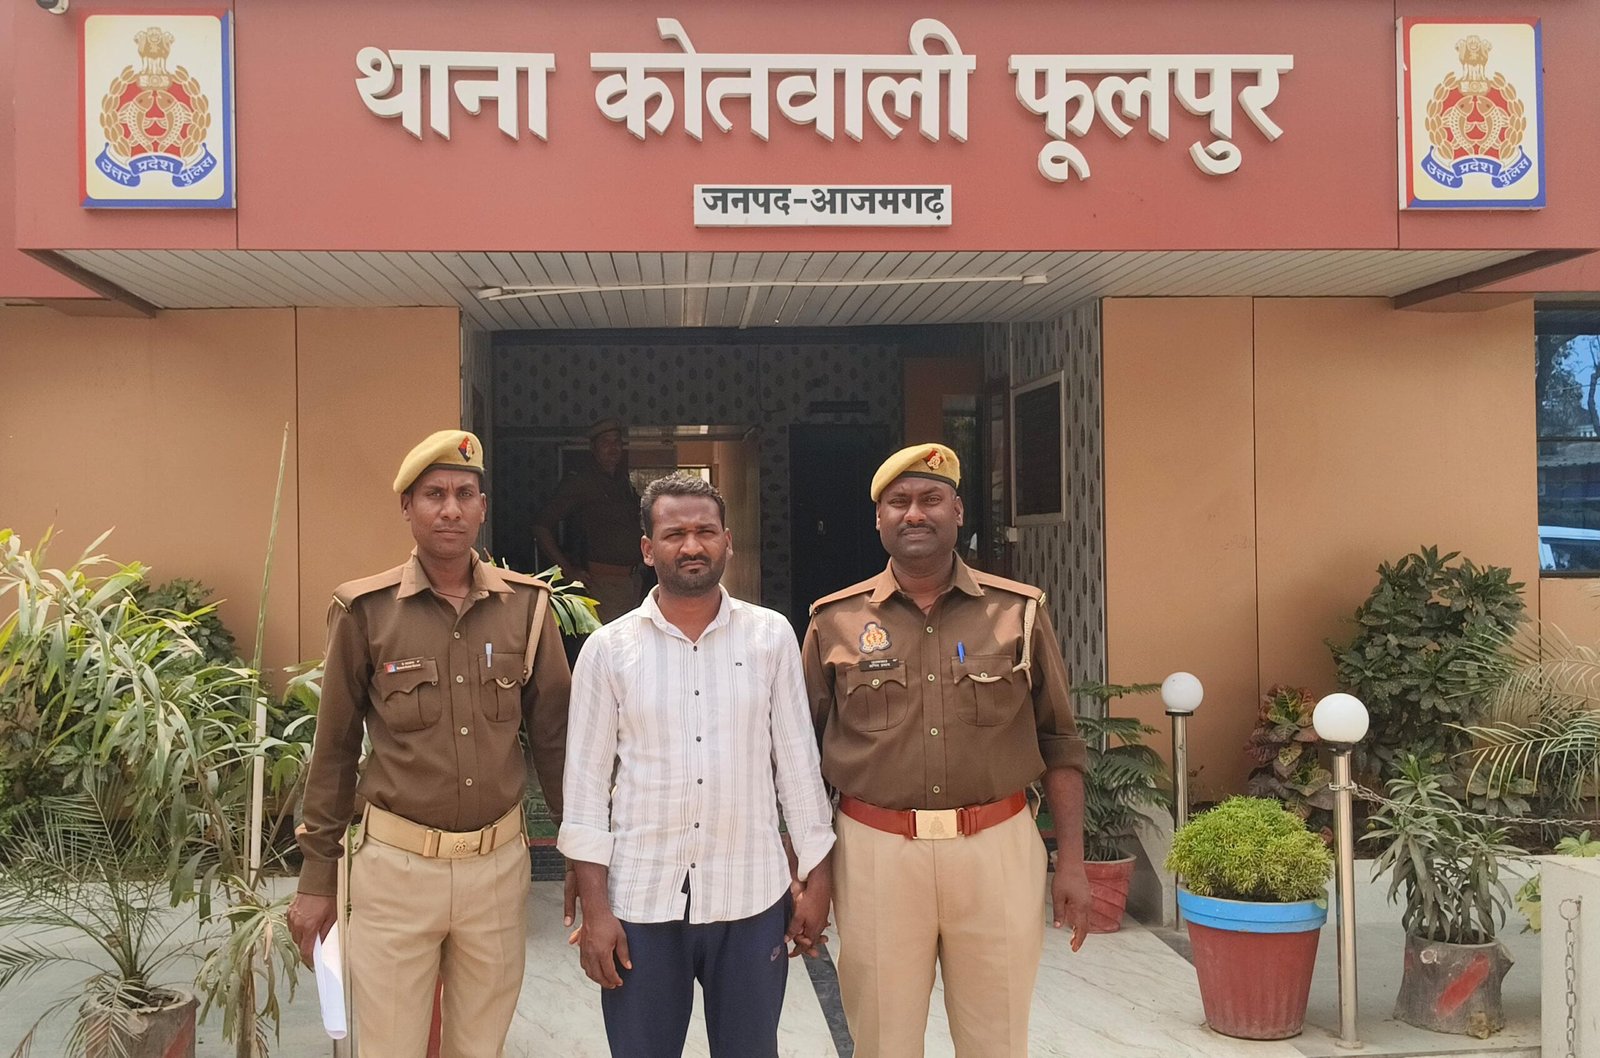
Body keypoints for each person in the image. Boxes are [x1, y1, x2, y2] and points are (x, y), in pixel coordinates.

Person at [287, 429, 571, 1058]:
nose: (450, 509)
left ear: (482, 507)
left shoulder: (526, 608)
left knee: (481, 1048)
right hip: (396, 871)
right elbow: (334, 749)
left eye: (465, 494)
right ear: (407, 507)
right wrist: (317, 876)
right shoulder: (366, 611)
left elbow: (555, 739)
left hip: (497, 870)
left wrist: (580, 853)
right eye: (434, 494)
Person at [802, 442, 1091, 1058]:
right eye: (898, 502)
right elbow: (803, 762)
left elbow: (1060, 741)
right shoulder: (834, 622)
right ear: (878, 518)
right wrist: (811, 877)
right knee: (882, 1041)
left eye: (931, 499)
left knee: (997, 1039)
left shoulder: (1018, 612)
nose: (914, 513)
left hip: (996, 849)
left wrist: (1071, 861)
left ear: (957, 512)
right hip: (876, 853)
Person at [559, 473, 836, 1058]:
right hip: (641, 900)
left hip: (751, 895)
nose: (692, 546)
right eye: (674, 534)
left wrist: (818, 881)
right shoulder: (608, 650)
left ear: (727, 541)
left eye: (705, 531)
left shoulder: (770, 637)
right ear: (647, 548)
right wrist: (596, 909)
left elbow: (798, 768)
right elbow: (584, 790)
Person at [534, 418, 644, 623]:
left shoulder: (622, 482)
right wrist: (568, 570)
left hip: (633, 582)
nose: (613, 448)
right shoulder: (582, 482)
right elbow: (541, 527)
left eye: (616, 441)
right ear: (594, 448)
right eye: (605, 442)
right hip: (602, 584)